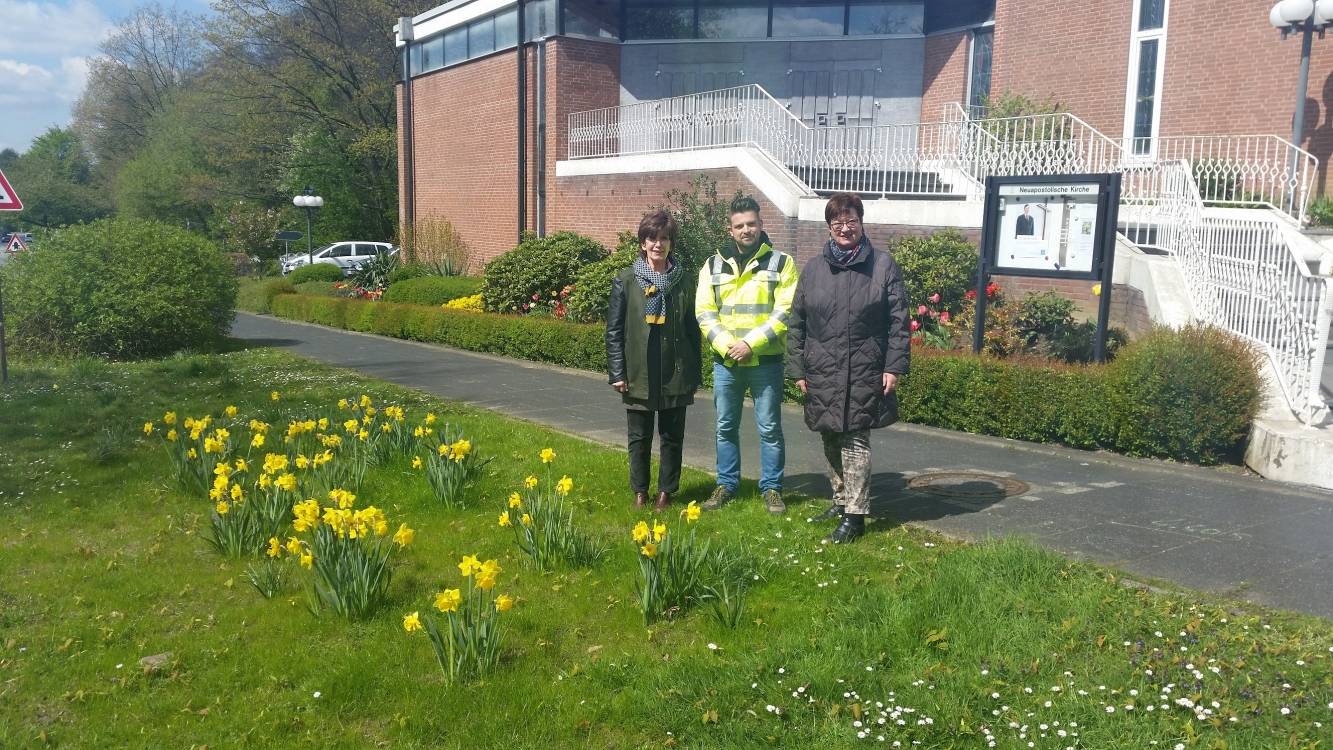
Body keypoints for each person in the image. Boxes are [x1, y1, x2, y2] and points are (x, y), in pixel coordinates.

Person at [787, 192, 910, 543]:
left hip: (864, 368)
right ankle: (840, 501)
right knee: (829, 436)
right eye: (838, 222)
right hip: (822, 369)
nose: (845, 228)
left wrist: (893, 366)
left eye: (851, 220)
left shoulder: (883, 266)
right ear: (829, 227)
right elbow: (797, 323)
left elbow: (898, 323)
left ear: (861, 223)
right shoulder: (812, 270)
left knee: (855, 439)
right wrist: (798, 369)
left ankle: (855, 518)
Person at [696, 196, 798, 514]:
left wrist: (750, 343)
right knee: (725, 426)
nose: (746, 230)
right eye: (739, 225)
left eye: (751, 224)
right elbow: (704, 312)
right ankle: (727, 484)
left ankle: (772, 489)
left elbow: (784, 312)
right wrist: (728, 345)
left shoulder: (782, 263)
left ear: (761, 225)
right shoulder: (712, 265)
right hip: (727, 362)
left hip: (764, 361)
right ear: (730, 229)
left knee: (769, 428)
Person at [606, 210, 701, 511]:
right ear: (642, 243)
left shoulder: (685, 281)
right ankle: (640, 491)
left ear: (671, 243)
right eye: (652, 238)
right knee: (639, 436)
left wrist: (694, 374)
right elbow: (614, 331)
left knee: (672, 436)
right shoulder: (626, 280)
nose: (658, 244)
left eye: (664, 238)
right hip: (639, 371)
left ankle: (666, 492)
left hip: (674, 369)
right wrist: (617, 373)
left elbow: (693, 330)